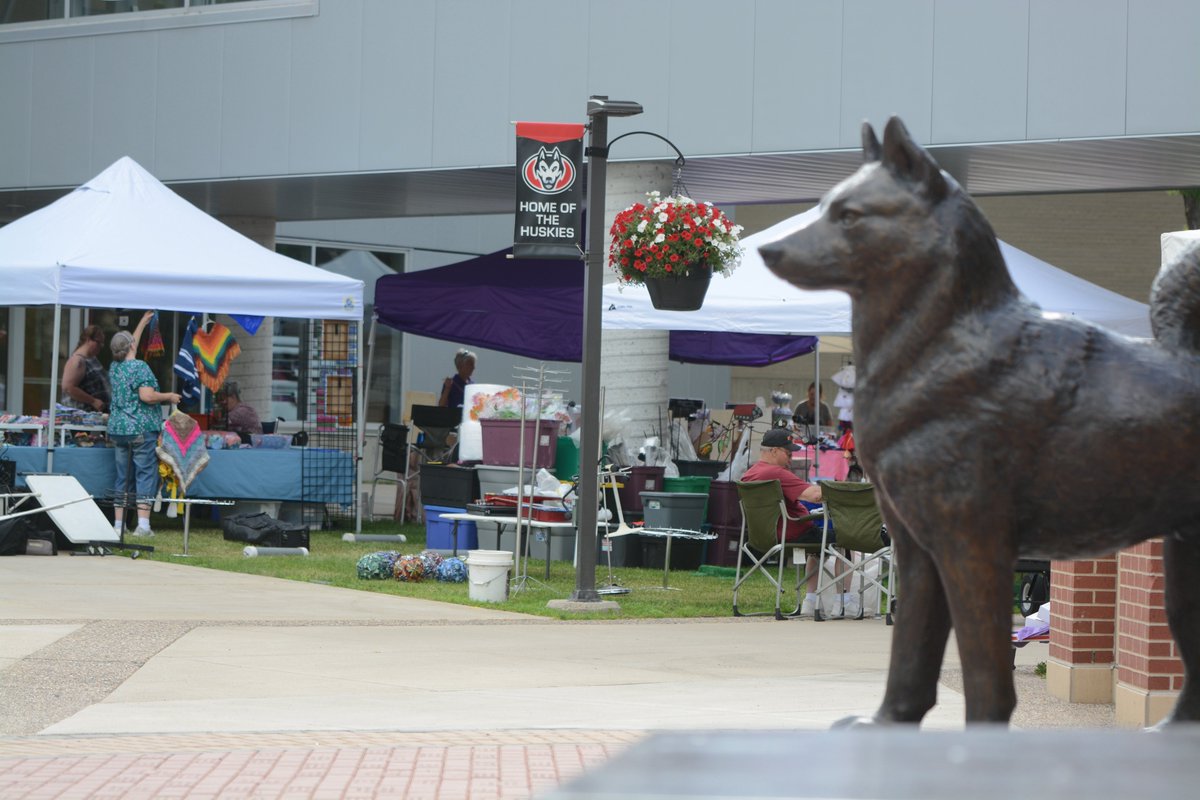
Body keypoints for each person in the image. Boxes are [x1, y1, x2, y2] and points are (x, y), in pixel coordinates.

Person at [740, 428, 845, 616]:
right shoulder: (777, 473)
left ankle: (810, 602)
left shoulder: (748, 475)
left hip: (760, 538)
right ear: (774, 451)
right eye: (788, 454)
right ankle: (844, 602)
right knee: (846, 539)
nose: (791, 459)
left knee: (817, 546)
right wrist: (846, 493)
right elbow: (815, 495)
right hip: (792, 536)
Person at [107, 310, 181, 538]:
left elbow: (130, 345)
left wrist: (143, 322)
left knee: (122, 477)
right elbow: (147, 396)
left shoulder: (115, 367)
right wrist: (169, 396)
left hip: (118, 430)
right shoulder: (140, 367)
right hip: (140, 429)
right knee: (145, 474)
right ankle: (143, 526)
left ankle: (118, 525)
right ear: (131, 347)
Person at [61, 325, 111, 412]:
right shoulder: (77, 361)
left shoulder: (92, 358)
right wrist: (93, 401)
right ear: (88, 340)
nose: (101, 346)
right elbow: (68, 388)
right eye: (98, 342)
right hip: (81, 415)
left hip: (96, 414)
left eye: (102, 343)